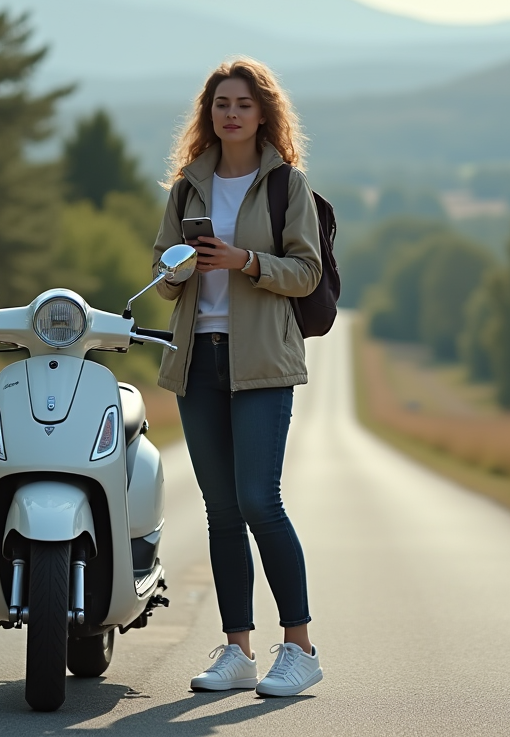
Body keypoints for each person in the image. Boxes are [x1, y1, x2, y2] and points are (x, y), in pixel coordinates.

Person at [151, 58, 324, 697]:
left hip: (262, 363)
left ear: (262, 114)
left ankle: (300, 647)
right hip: (199, 359)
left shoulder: (286, 185)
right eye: (221, 103)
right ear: (209, 114)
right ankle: (237, 651)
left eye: (242, 104)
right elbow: (164, 277)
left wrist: (246, 260)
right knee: (221, 510)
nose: (231, 113)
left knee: (259, 501)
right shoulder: (187, 187)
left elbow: (306, 272)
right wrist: (179, 269)